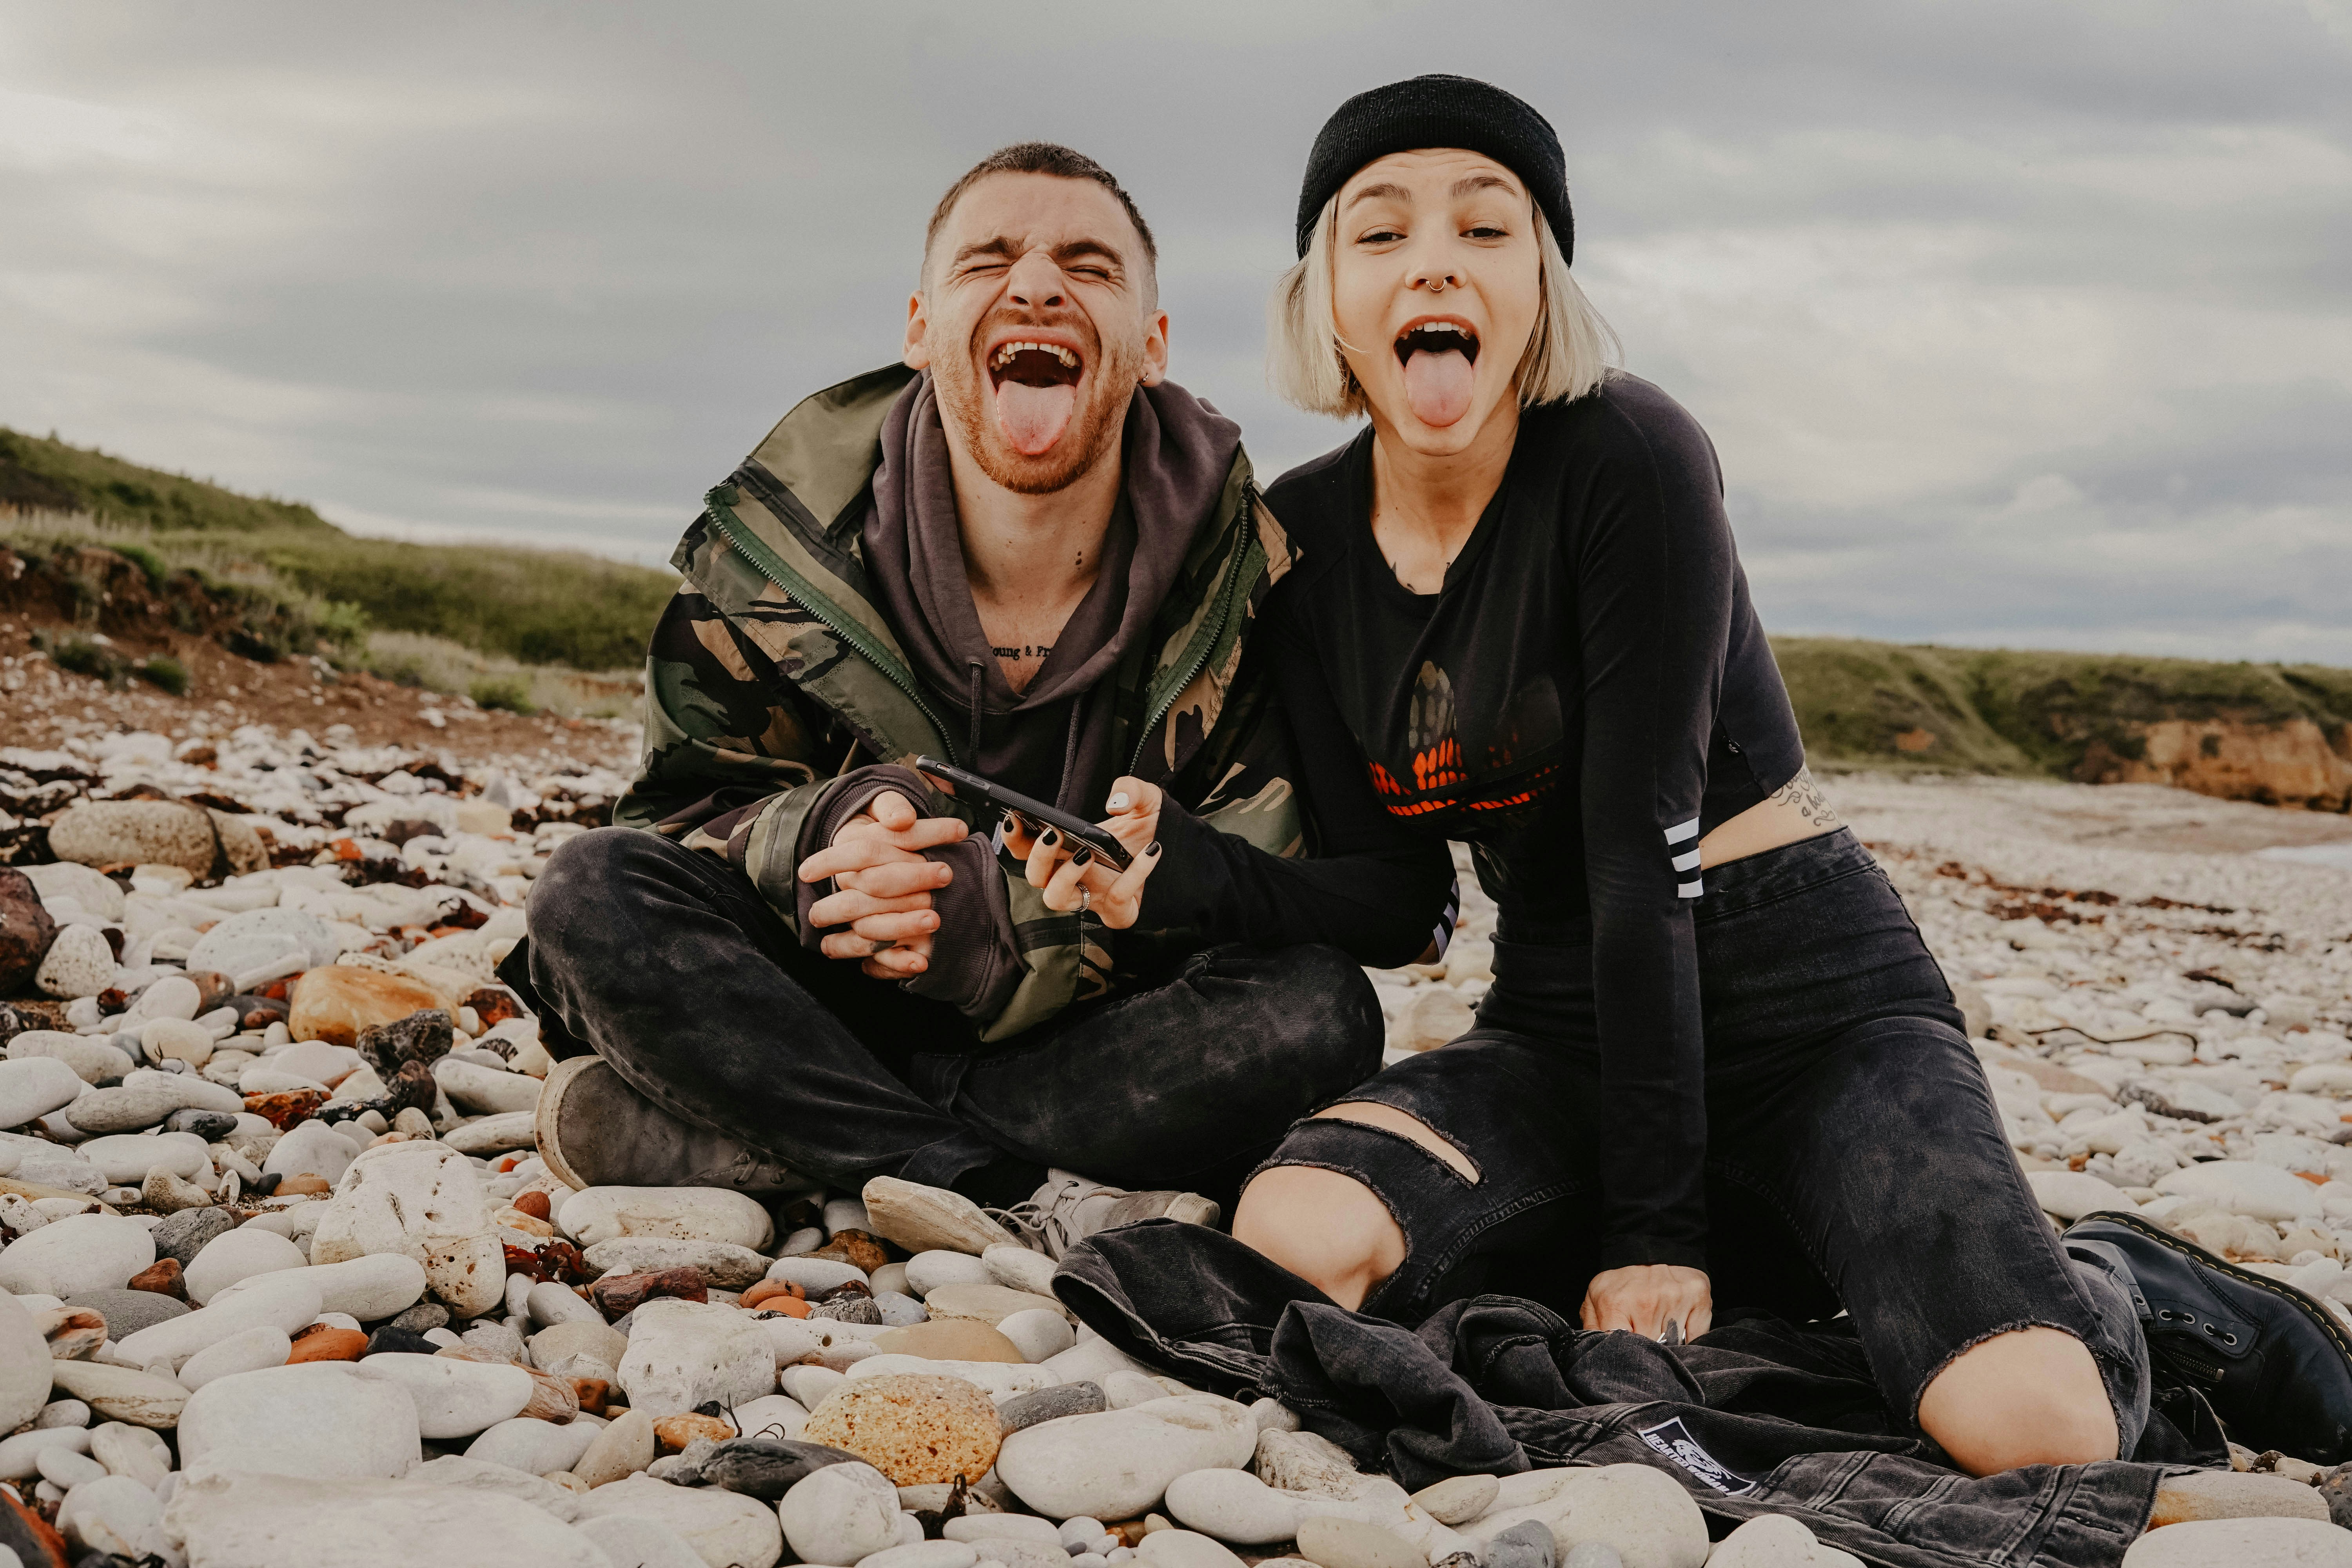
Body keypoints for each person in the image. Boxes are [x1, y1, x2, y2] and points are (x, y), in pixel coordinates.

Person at [1007, 78, 2144, 1474]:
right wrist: (1180, 871)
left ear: (1541, 285)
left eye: (1487, 230)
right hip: (1563, 1020)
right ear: (1325, 298)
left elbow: (1640, 851)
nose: (1435, 259)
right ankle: (1770, 1247)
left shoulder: (1630, 453)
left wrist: (1652, 1239)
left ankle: (2138, 1290)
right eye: (1381, 234)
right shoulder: (1297, 538)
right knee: (1295, 1232)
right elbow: (1396, 902)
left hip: (1815, 1010)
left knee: (2033, 1432)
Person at [515, 142, 1417, 1258]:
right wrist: (823, 844)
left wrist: (1004, 940)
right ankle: (995, 1182)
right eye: (987, 259)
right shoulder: (773, 561)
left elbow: (1250, 888)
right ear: (918, 328)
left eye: (1088, 268)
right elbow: (666, 829)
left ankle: (780, 1138)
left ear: (1152, 345)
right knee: (584, 890)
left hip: (1076, 1042)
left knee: (1319, 1013)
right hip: (824, 992)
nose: (1035, 285)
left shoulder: (1248, 588)